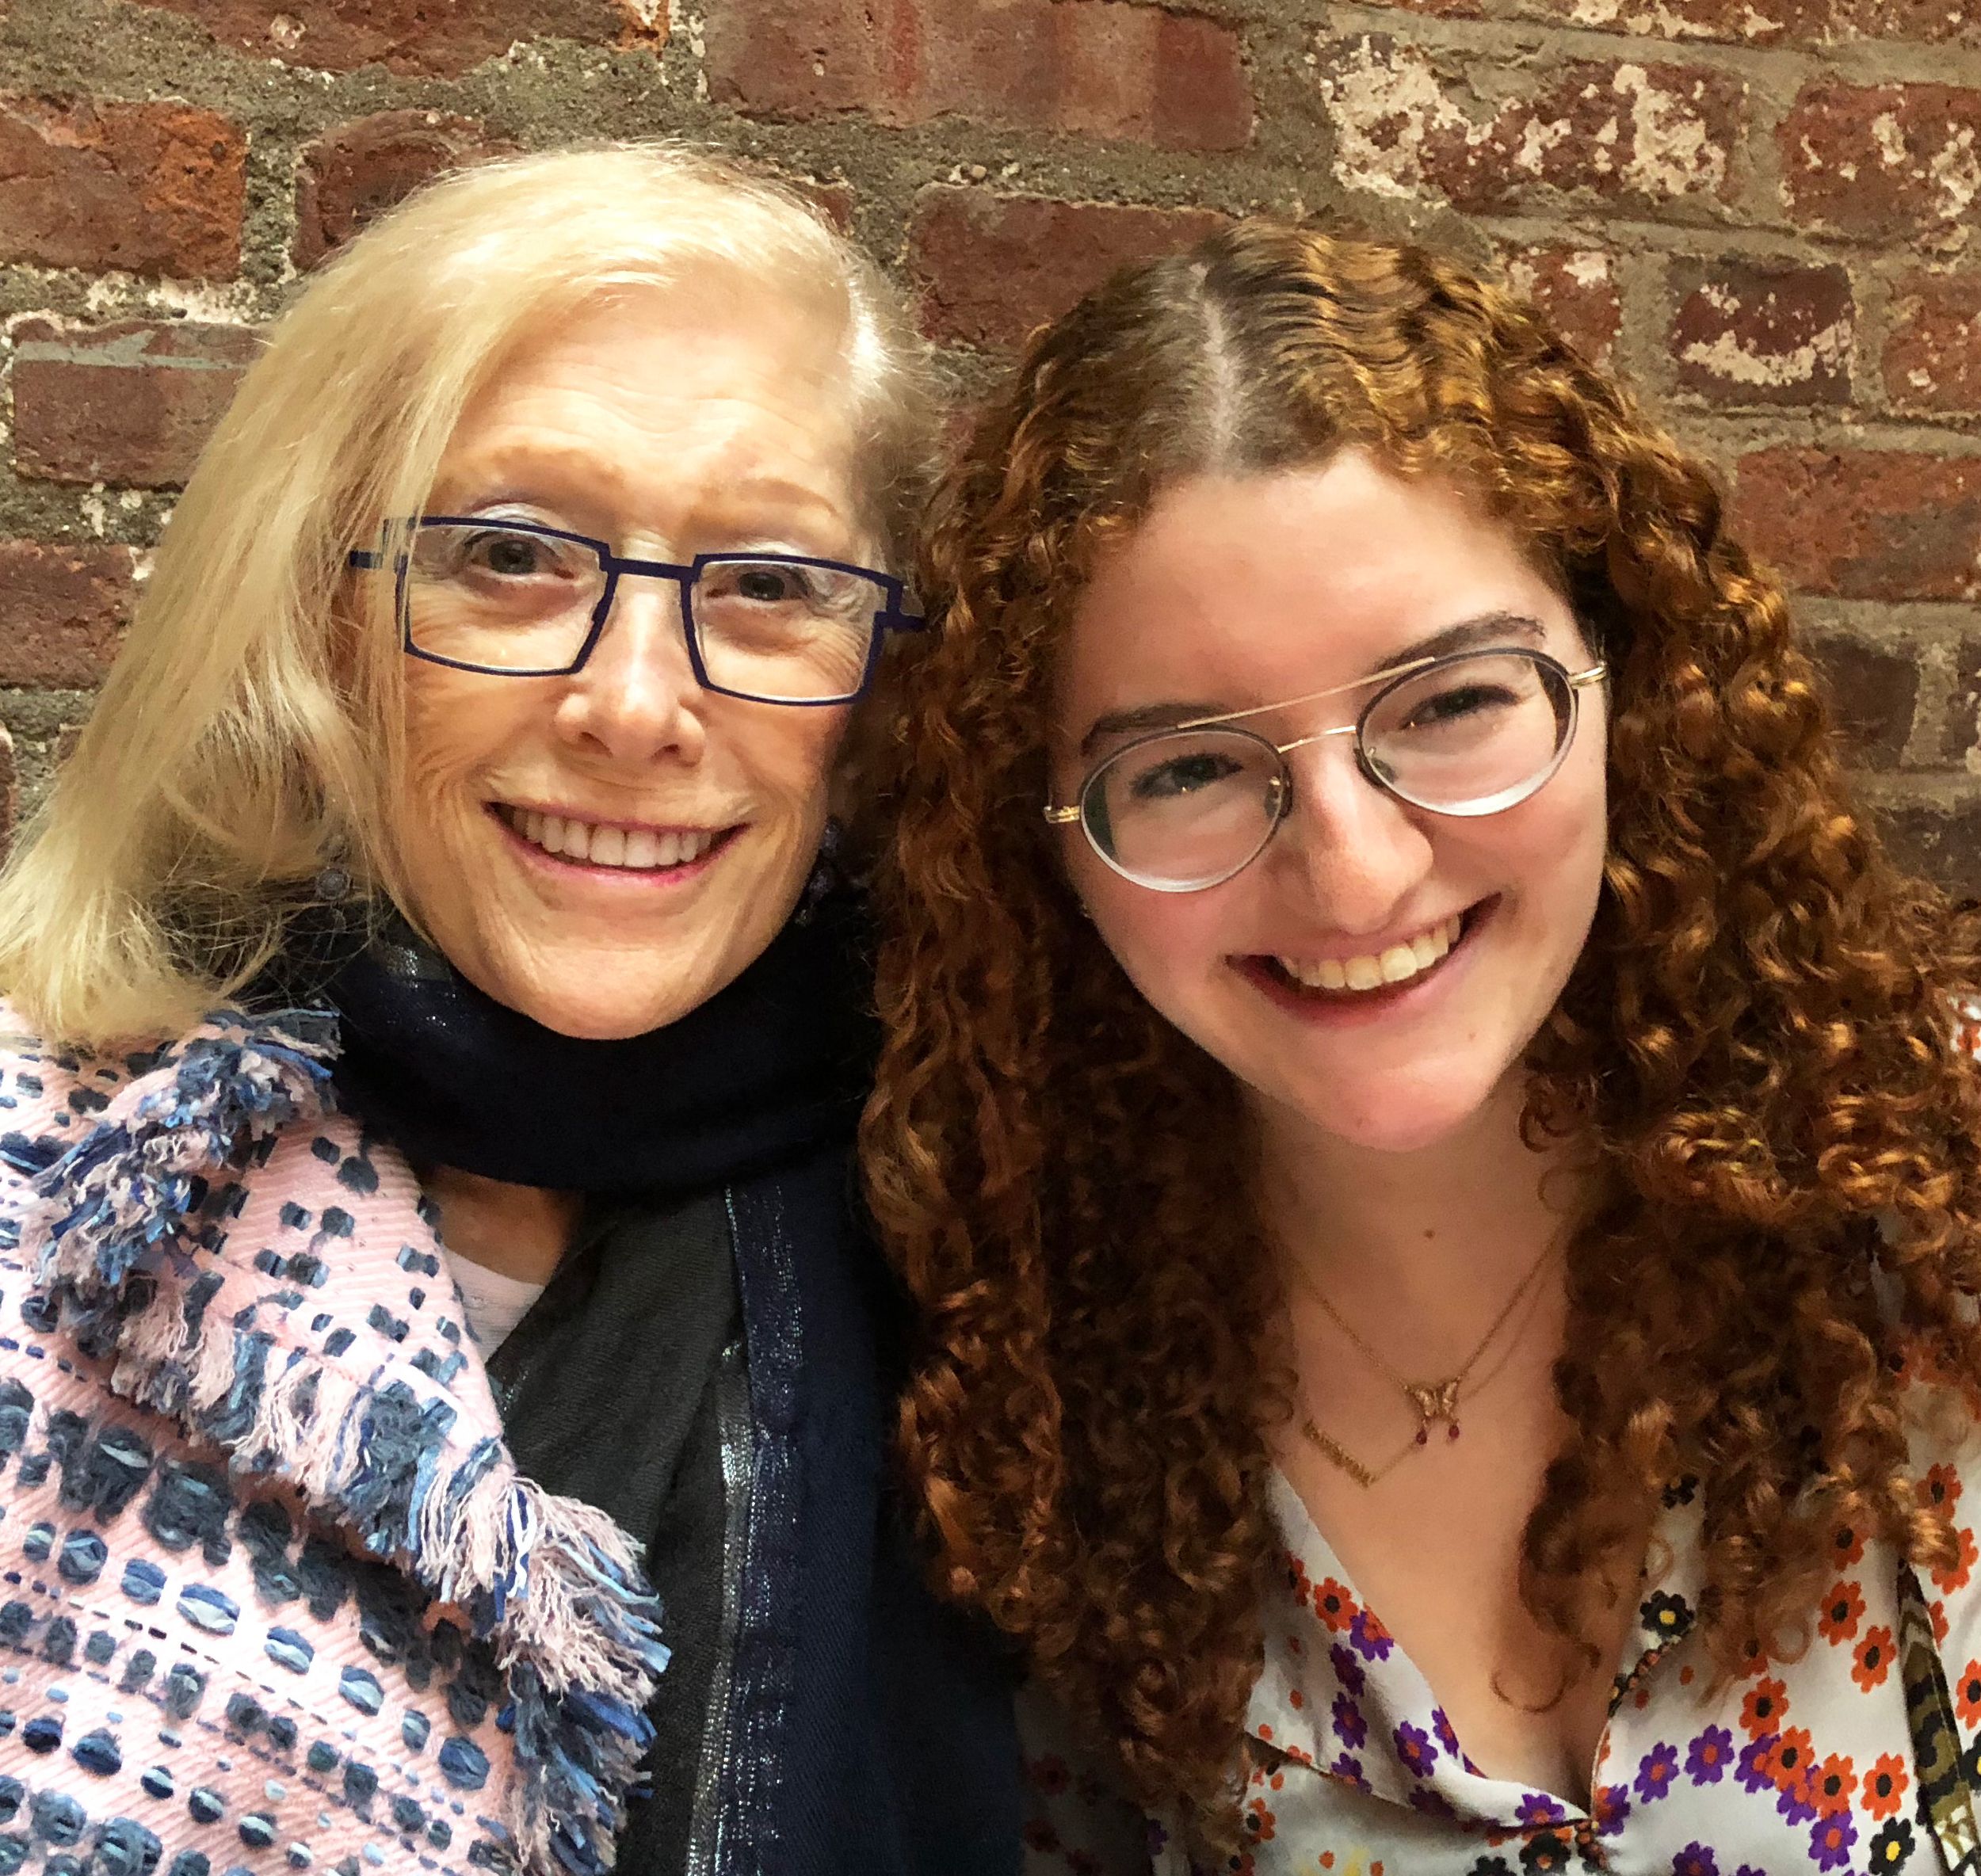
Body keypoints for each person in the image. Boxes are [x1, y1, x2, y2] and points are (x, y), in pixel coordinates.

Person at [862, 216, 1981, 1873]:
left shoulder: (1930, 1184)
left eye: (1451, 703)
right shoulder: (1017, 1376)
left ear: (1629, 684)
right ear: (1046, 845)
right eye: (1179, 770)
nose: (1355, 868)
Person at [0, 144, 1019, 1876]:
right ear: (320, 618)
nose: (637, 704)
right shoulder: (68, 1189)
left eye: (770, 585)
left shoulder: (985, 1254)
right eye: (508, 554)